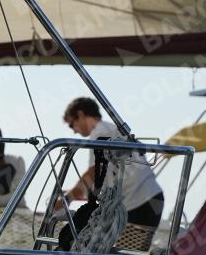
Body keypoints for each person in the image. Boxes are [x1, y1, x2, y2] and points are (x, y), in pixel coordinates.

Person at [58, 97, 164, 227]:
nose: (74, 131)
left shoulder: (100, 133)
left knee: (108, 240)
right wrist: (74, 191)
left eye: (71, 124)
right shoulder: (111, 129)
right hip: (151, 198)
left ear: (80, 114)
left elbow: (93, 174)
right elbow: (102, 178)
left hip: (138, 203)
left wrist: (67, 199)